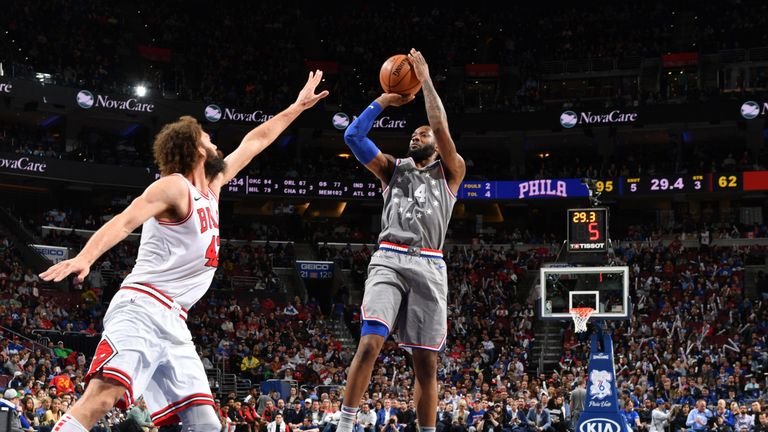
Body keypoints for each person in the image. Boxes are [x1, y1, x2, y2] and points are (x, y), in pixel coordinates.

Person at [39, 71, 328, 432]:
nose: (217, 143)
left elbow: (256, 141)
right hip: (143, 306)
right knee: (102, 397)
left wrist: (296, 108)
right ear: (195, 149)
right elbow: (125, 221)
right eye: (209, 139)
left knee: (205, 422)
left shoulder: (214, 185)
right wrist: (85, 257)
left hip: (176, 321)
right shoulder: (174, 187)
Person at [336, 48, 466, 432]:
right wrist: (383, 100)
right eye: (413, 132)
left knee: (426, 365)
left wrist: (425, 80)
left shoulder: (452, 170)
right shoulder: (392, 169)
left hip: (429, 262)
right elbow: (353, 135)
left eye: (422, 133)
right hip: (390, 257)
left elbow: (440, 127)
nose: (418, 134)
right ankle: (345, 423)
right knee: (370, 343)